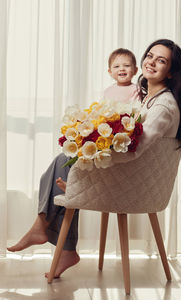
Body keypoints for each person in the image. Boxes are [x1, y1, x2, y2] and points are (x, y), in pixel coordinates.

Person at [7, 47, 140, 278]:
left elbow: (132, 121)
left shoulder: (138, 91)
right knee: (56, 175)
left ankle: (45, 229)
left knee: (64, 166)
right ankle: (64, 247)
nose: (122, 69)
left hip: (116, 154)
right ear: (109, 71)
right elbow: (102, 114)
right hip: (105, 142)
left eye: (127, 66)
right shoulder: (109, 91)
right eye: (117, 66)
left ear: (135, 70)